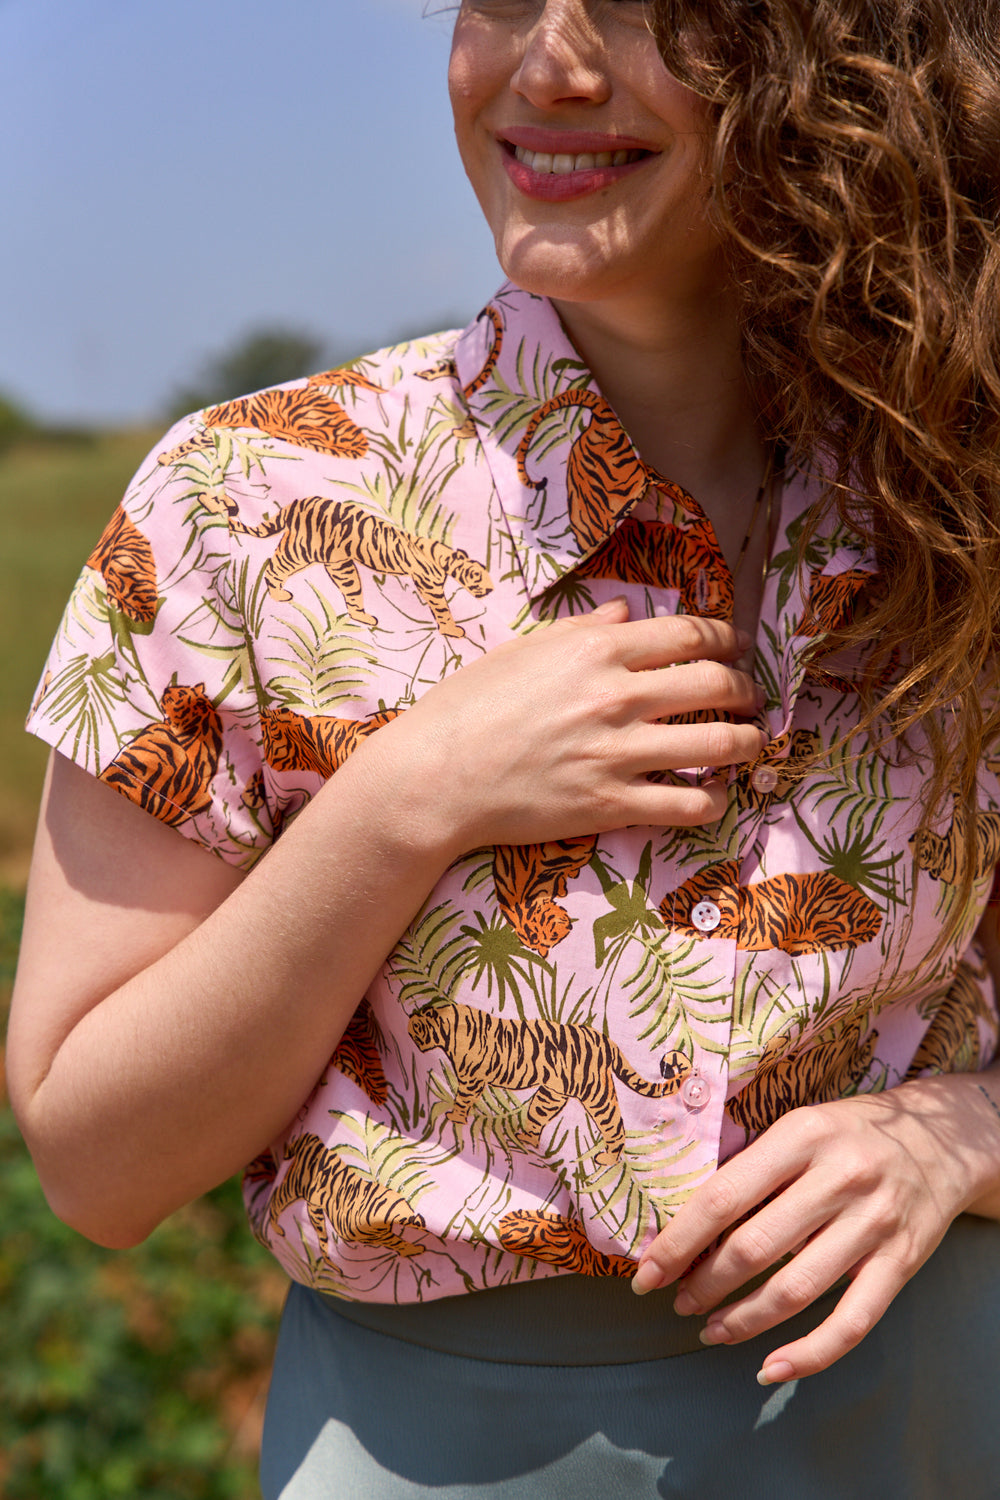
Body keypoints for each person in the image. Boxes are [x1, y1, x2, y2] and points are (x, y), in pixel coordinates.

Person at [9, 0, 1000, 1493]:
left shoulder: (966, 504)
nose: (544, 63)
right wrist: (404, 803)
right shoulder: (244, 507)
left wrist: (965, 1133)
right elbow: (96, 1163)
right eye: (497, 2)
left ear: (851, 58)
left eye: (641, 10)